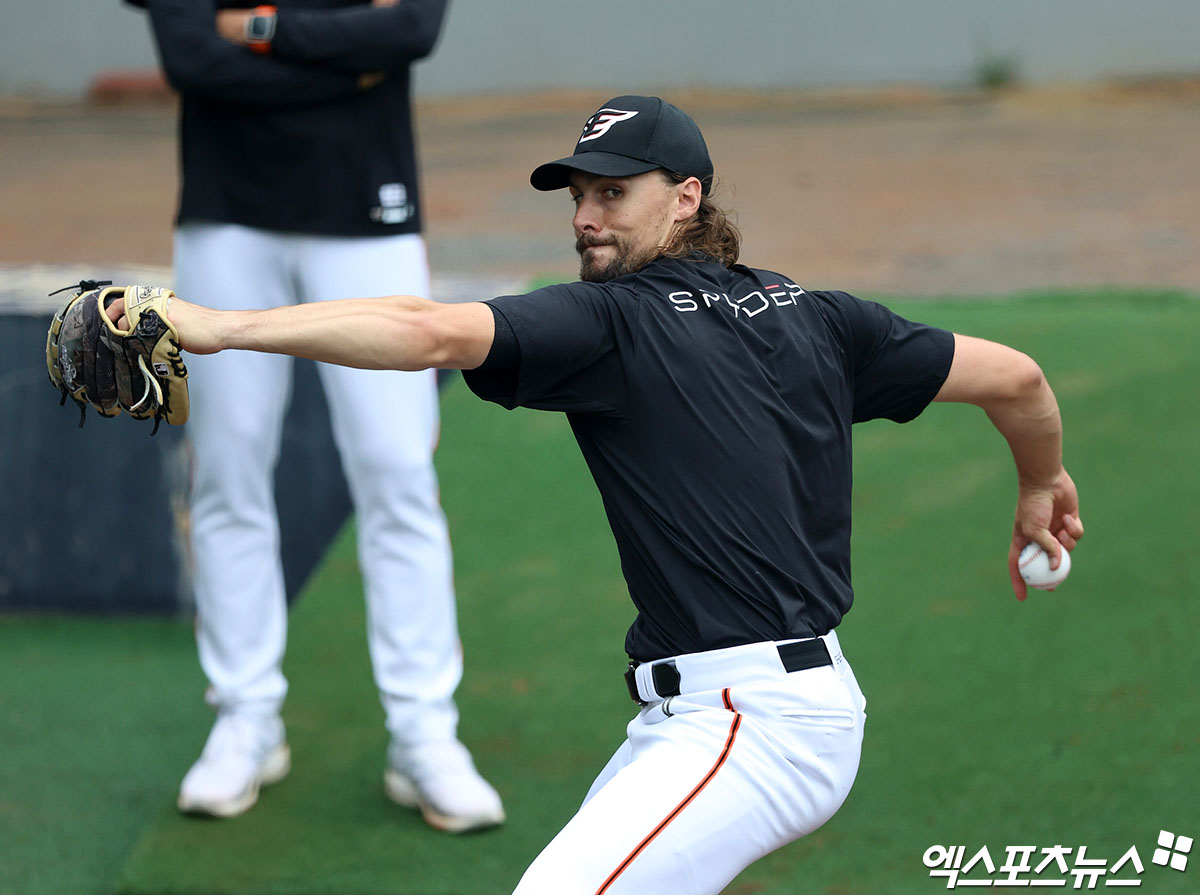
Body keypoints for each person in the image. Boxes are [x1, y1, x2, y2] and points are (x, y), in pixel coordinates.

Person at [110, 95, 1083, 893]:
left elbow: (430, 330)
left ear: (687, 198)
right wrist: (1042, 479)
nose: (585, 216)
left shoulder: (617, 326)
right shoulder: (820, 317)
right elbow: (1021, 381)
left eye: (614, 193)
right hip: (718, 716)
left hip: (757, 725)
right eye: (578, 194)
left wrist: (222, 326)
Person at [128, 0, 505, 832]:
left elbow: (409, 31)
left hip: (366, 212)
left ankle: (423, 735)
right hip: (227, 216)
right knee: (227, 471)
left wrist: (258, 29)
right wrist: (342, 64)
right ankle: (244, 718)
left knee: (398, 472)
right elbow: (191, 57)